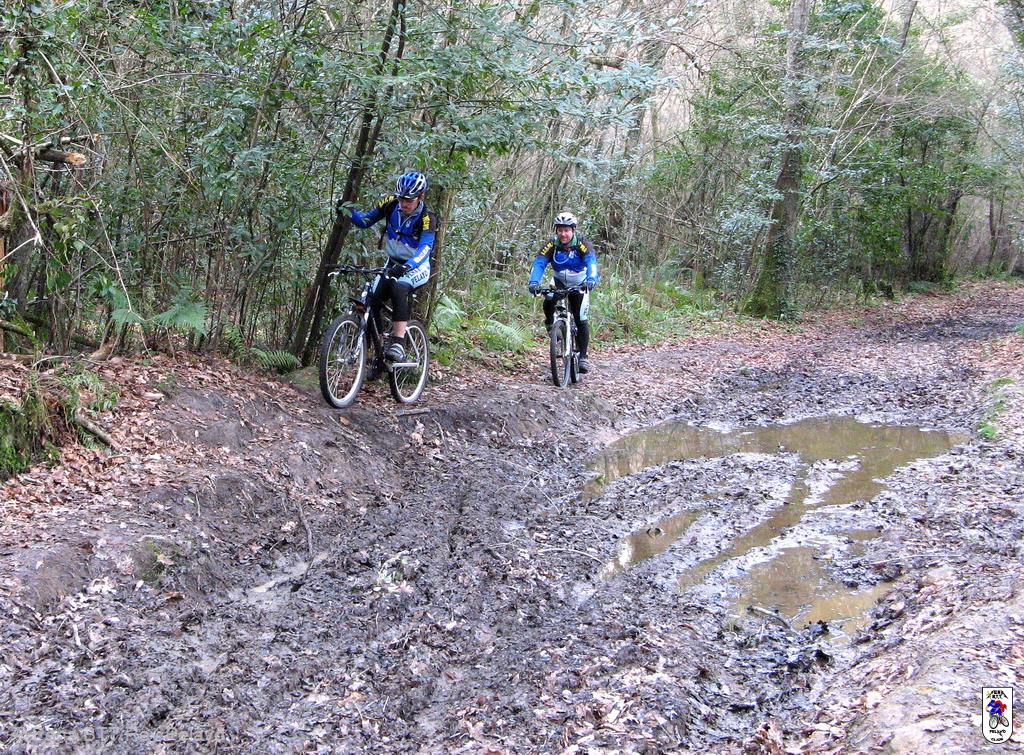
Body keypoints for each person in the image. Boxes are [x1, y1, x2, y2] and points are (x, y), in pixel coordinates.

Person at [338, 170, 436, 362]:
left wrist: (408, 266)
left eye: (409, 200)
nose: (403, 203)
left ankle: (398, 342)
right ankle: (379, 350)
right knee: (372, 299)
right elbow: (365, 221)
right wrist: (346, 211)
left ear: (421, 197)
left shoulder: (427, 218)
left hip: (417, 266)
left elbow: (426, 248)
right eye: (401, 198)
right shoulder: (390, 204)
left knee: (399, 288)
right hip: (392, 263)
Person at [527, 211, 600, 373]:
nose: (563, 234)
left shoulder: (582, 244)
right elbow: (539, 263)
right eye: (560, 230)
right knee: (548, 299)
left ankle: (583, 357)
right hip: (559, 281)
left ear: (573, 230)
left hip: (580, 283)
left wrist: (591, 280)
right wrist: (534, 282)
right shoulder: (551, 245)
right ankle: (550, 324)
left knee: (581, 319)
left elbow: (591, 262)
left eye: (566, 230)